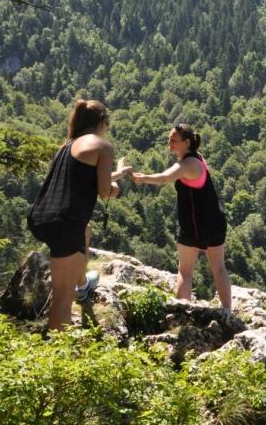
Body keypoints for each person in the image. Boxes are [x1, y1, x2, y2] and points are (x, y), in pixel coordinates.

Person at [27, 99, 130, 331]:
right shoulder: (103, 146)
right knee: (62, 298)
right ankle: (56, 357)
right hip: (64, 223)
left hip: (42, 215)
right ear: (103, 122)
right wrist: (116, 190)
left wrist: (118, 174)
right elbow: (104, 191)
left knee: (86, 230)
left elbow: (87, 177)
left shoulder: (67, 145)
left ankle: (82, 284)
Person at [133, 124, 232, 311]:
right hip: (216, 220)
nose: (169, 142)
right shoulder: (198, 158)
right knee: (219, 268)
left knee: (185, 271)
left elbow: (164, 178)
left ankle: (183, 314)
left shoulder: (186, 165)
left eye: (174, 139)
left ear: (187, 142)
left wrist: (143, 177)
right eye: (169, 138)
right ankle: (227, 312)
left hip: (195, 224)